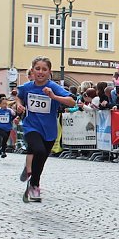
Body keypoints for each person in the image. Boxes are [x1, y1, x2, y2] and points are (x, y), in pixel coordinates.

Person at [15, 56, 76, 202]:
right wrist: (19, 105)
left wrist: (54, 96)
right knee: (39, 150)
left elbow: (72, 102)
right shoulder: (27, 87)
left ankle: (33, 180)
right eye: (37, 69)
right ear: (32, 70)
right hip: (31, 126)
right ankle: (34, 186)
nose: (40, 72)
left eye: (44, 69)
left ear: (49, 72)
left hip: (49, 130)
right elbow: (19, 96)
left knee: (41, 160)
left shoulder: (53, 87)